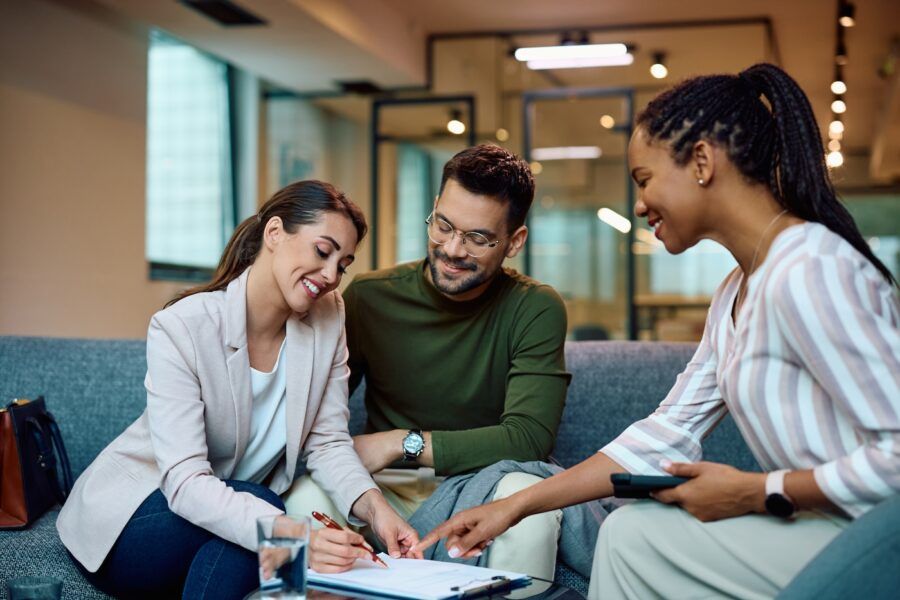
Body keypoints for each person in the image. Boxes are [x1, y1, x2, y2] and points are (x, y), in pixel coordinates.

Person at [415, 63, 900, 599]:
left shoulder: (812, 267)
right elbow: (663, 434)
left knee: (635, 541)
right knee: (630, 533)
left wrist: (755, 492)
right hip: (824, 524)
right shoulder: (737, 291)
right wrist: (511, 506)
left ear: (701, 162)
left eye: (644, 180)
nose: (640, 204)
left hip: (878, 535)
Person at [58, 181, 420, 600]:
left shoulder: (328, 317)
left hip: (224, 521)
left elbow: (328, 443)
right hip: (134, 519)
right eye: (323, 251)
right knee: (266, 512)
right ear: (274, 234)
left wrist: (378, 512)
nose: (330, 276)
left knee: (252, 533)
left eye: (343, 264)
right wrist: (295, 533)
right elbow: (186, 483)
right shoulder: (182, 326)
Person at [284, 144, 573, 579]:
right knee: (305, 496)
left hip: (485, 485)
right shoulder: (368, 297)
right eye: (443, 226)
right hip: (384, 489)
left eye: (478, 238)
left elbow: (528, 438)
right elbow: (309, 412)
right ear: (435, 208)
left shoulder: (535, 308)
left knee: (529, 505)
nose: (453, 249)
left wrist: (402, 442)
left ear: (515, 242)